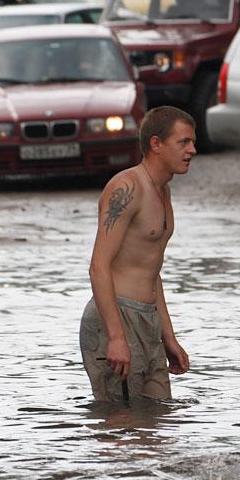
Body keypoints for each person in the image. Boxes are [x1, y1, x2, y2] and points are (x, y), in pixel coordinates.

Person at [80, 106, 197, 402]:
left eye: (192, 142)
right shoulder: (127, 187)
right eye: (183, 142)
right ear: (155, 144)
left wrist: (168, 336)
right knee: (121, 429)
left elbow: (151, 270)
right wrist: (117, 337)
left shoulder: (163, 191)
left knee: (158, 422)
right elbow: (98, 266)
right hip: (116, 318)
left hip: (148, 320)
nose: (192, 150)